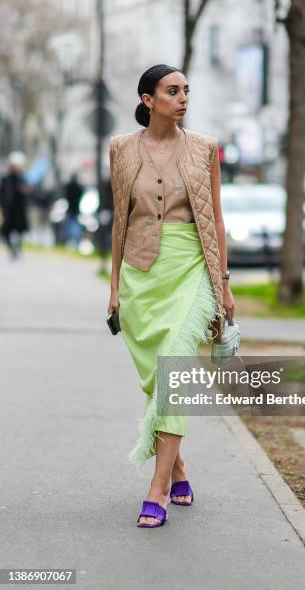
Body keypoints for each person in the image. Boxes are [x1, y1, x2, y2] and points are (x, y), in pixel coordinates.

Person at [107, 64, 235, 528]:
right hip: (140, 275)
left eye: (186, 91)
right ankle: (177, 467)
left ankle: (157, 490)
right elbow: (120, 220)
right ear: (147, 99)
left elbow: (216, 218)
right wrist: (114, 285)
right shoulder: (120, 149)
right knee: (154, 381)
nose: (183, 98)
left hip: (190, 270)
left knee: (174, 373)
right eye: (172, 91)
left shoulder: (204, 149)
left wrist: (223, 283)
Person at [0, 151, 31, 259]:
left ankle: (18, 247)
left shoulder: (22, 178)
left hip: (19, 209)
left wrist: (25, 191)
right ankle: (11, 248)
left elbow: (27, 192)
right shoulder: (5, 179)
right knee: (6, 230)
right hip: (8, 209)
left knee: (20, 230)